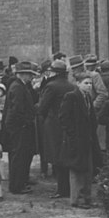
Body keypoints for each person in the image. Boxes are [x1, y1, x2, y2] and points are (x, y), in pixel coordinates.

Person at [59, 71, 102, 209]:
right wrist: (73, 136)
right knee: (77, 170)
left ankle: (86, 198)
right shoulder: (71, 97)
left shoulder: (88, 97)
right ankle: (76, 200)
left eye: (90, 83)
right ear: (78, 84)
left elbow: (91, 118)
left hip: (87, 140)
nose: (89, 86)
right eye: (86, 83)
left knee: (88, 170)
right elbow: (64, 118)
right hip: (76, 140)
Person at [37, 59, 73, 199]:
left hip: (53, 126)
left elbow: (42, 107)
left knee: (56, 157)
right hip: (67, 125)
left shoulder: (51, 86)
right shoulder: (71, 86)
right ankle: (68, 188)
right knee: (65, 157)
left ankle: (61, 189)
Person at [0, 60, 38, 194]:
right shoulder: (17, 87)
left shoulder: (20, 86)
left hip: (18, 127)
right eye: (29, 74)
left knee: (19, 156)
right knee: (18, 156)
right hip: (18, 128)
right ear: (22, 74)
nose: (31, 77)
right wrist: (25, 122)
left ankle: (20, 182)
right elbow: (17, 109)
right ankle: (16, 186)